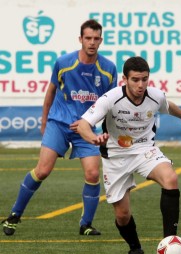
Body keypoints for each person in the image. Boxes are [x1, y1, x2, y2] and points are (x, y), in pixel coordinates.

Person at [77, 56, 181, 254]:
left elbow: (168, 105)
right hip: (115, 157)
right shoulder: (110, 98)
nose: (141, 85)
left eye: (145, 79)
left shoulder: (155, 96)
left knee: (170, 179)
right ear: (125, 80)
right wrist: (94, 138)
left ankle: (170, 240)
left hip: (145, 149)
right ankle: (135, 248)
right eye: (135, 80)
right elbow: (83, 124)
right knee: (122, 215)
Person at [2, 19, 117, 236]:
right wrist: (45, 121)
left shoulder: (109, 69)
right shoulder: (64, 62)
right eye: (88, 38)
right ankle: (14, 215)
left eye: (96, 38)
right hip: (59, 123)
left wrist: (103, 130)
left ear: (101, 40)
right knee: (43, 170)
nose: (92, 42)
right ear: (80, 39)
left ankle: (86, 224)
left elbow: (109, 103)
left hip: (87, 128)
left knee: (93, 174)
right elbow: (51, 91)